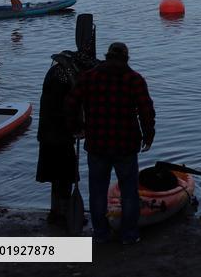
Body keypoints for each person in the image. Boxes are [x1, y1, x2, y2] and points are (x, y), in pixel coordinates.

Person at [65, 42, 155, 245]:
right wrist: (149, 136)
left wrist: (77, 128)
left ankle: (101, 234)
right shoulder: (134, 79)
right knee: (129, 192)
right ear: (126, 58)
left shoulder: (89, 78)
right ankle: (129, 235)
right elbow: (146, 110)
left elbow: (70, 103)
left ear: (107, 56)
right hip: (126, 144)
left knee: (97, 191)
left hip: (97, 143)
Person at [36, 14, 98, 225]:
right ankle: (62, 214)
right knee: (63, 174)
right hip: (56, 133)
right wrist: (77, 127)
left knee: (58, 175)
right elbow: (65, 107)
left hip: (51, 131)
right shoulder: (63, 75)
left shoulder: (63, 69)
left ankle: (57, 212)